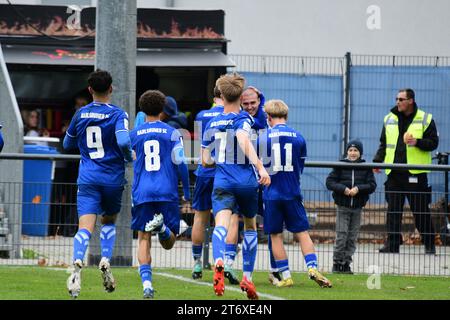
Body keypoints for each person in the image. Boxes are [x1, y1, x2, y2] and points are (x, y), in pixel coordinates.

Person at [63, 69, 133, 298]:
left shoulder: (80, 114)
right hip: (112, 179)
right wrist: (128, 157)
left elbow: (66, 144)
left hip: (88, 178)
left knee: (85, 227)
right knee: (109, 220)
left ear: (90, 90)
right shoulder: (118, 114)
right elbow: (123, 140)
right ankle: (105, 259)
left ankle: (76, 263)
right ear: (111, 88)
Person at [202, 73, 271, 300]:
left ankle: (219, 260)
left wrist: (220, 158)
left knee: (221, 223)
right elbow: (242, 139)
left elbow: (205, 160)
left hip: (222, 180)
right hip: (246, 182)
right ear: (241, 96)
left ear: (220, 95)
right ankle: (248, 278)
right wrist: (261, 167)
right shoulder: (244, 119)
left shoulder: (211, 122)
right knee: (250, 226)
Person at [258, 99, 332, 288]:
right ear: (286, 115)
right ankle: (312, 268)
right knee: (302, 232)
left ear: (268, 117)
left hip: (272, 194)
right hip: (292, 192)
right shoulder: (299, 137)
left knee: (275, 235)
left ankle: (286, 276)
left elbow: (258, 165)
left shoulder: (263, 137)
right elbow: (300, 166)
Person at [130, 90, 190, 299]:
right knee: (169, 242)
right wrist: (187, 191)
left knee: (143, 237)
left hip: (143, 191)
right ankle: (163, 228)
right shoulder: (173, 133)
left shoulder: (134, 134)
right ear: (163, 108)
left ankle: (147, 284)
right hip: (167, 191)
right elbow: (180, 162)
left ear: (142, 109)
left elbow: (128, 157)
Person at [373, 88, 438, 254]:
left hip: (415, 173)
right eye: (397, 99)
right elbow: (384, 143)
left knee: (420, 210)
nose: (398, 102)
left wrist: (417, 142)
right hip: (394, 173)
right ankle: (393, 244)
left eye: (401, 99)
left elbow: (433, 143)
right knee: (393, 211)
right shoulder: (389, 118)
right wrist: (377, 161)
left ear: (411, 101)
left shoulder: (425, 118)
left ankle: (429, 243)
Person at [191, 85, 241, 285]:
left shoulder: (203, 115)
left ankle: (196, 263)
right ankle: (227, 262)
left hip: (205, 171)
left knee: (200, 216)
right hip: (227, 172)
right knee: (231, 218)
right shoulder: (236, 115)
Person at [326, 140, 376, 274]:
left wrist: (358, 189)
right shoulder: (340, 165)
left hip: (357, 207)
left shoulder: (366, 167)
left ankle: (346, 263)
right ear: (347, 152)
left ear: (360, 153)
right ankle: (337, 263)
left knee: (352, 237)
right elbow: (330, 182)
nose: (353, 153)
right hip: (343, 206)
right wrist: (344, 189)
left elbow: (372, 185)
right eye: (350, 150)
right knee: (341, 235)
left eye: (356, 151)